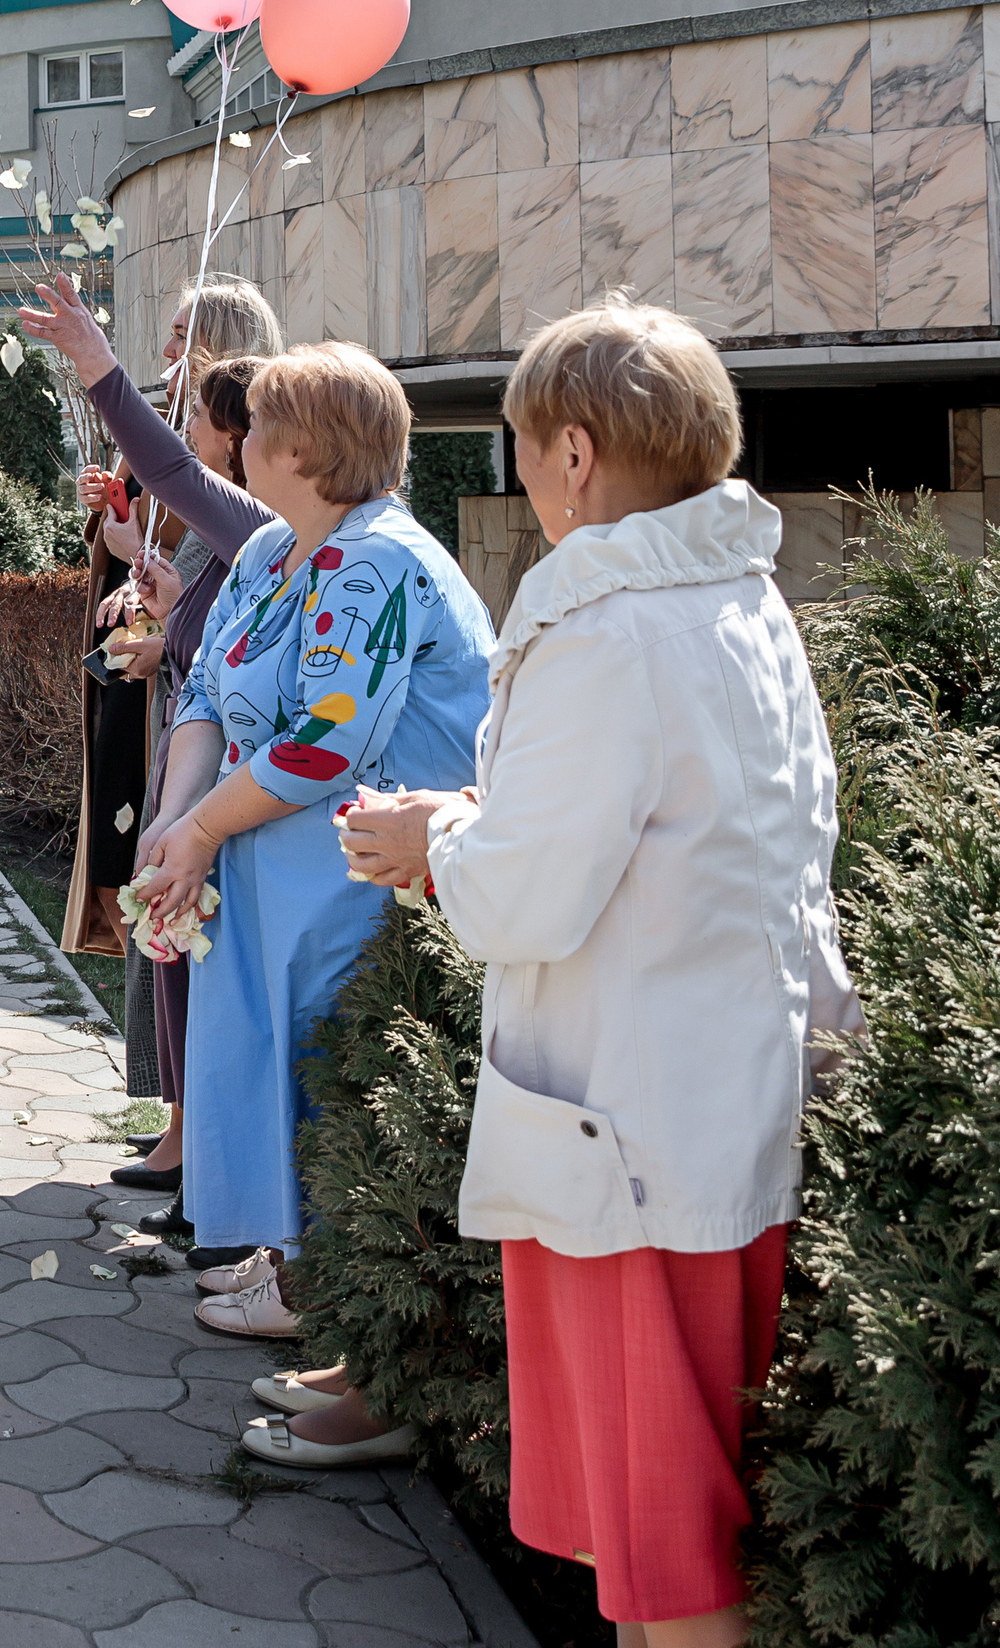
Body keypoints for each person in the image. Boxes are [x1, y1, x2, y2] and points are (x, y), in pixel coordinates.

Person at [340, 296, 860, 1641]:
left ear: (574, 454)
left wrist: (428, 839)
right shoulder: (738, 599)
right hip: (714, 1104)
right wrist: (466, 827)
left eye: (520, 445)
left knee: (669, 1550)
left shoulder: (605, 624)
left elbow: (529, 892)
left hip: (622, 1136)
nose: (520, 475)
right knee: (668, 1537)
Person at [28, 277, 493, 1315]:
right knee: (257, 1067)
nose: (235, 442)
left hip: (350, 888)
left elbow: (325, 745)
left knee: (322, 1076)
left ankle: (318, 1288)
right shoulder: (278, 553)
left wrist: (194, 828)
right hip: (262, 872)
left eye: (260, 425)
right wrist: (169, 827)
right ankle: (282, 1263)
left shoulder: (376, 563)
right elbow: (204, 690)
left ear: (306, 449)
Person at [60, 275, 284, 1198]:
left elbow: (241, 651)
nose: (169, 353)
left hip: (237, 779)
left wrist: (96, 366)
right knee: (175, 937)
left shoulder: (263, 517)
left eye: (184, 333)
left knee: (203, 950)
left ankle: (214, 1163)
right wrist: (135, 563)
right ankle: (193, 1142)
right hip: (189, 755)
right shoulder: (255, 517)